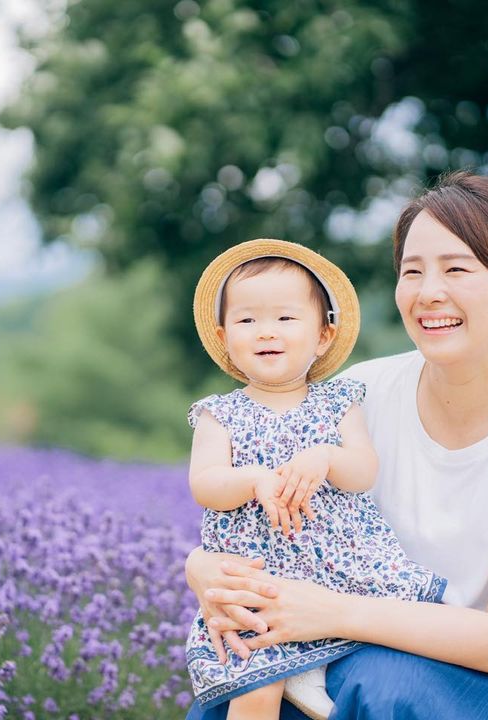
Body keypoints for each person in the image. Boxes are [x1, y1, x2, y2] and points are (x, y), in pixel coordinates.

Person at [184, 171, 488, 720]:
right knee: (242, 681)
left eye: (456, 269)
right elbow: (273, 514)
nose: (429, 293)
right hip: (382, 641)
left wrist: (329, 612)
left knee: (379, 689)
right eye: (412, 271)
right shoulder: (361, 394)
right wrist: (202, 569)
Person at [185, 239, 447, 720]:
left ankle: (313, 670)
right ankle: (285, 675)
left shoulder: (337, 402)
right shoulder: (218, 415)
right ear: (224, 336)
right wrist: (253, 480)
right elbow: (205, 484)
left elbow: (364, 472)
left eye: (286, 318)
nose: (266, 331)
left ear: (323, 335)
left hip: (339, 565)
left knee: (397, 644)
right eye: (246, 320)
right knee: (256, 686)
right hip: (261, 575)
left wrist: (326, 457)